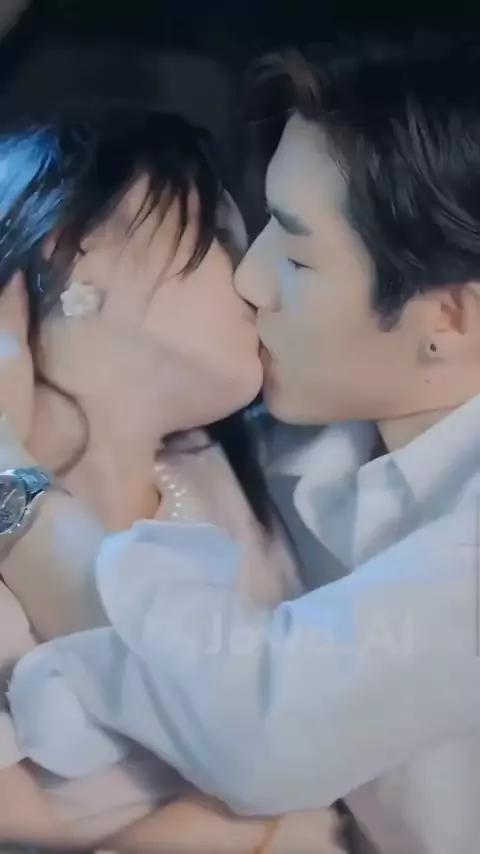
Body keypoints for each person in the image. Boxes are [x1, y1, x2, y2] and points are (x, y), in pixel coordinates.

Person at [10, 32, 480, 854]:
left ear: (448, 318)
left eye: (295, 254)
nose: (249, 279)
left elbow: (268, 730)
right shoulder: (291, 452)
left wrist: (13, 501)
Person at [0, 110, 343, 852]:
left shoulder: (271, 475)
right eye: (219, 234)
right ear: (73, 250)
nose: (255, 277)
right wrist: (285, 784)